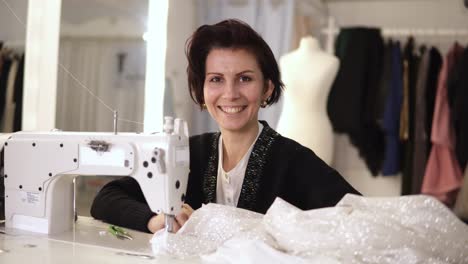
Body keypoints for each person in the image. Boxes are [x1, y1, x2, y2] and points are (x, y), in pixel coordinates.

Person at [90, 19, 359, 234]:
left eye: (244, 78)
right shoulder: (190, 152)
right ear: (202, 90)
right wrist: (152, 221)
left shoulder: (294, 162)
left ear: (267, 87)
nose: (230, 94)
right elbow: (107, 197)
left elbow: (363, 218)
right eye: (216, 79)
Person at [276, 36, 339, 165]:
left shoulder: (331, 61)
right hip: (288, 129)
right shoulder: (285, 60)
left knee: (318, 181)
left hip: (317, 134)